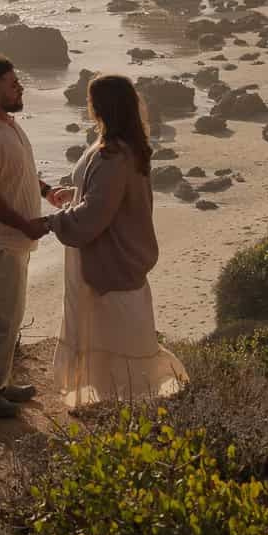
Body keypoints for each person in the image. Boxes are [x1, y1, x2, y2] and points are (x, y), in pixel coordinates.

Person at [46, 73, 187, 408]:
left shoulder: (113, 155)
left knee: (114, 332)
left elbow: (96, 213)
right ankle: (113, 399)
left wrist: (52, 222)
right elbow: (104, 197)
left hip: (111, 258)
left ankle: (124, 402)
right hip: (118, 254)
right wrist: (73, 194)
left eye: (91, 100)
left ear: (99, 107)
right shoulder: (126, 146)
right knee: (114, 331)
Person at [0, 54, 71, 418]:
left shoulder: (4, 124)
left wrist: (46, 191)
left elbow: (18, 172)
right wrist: (24, 224)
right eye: (12, 83)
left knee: (7, 315)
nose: (20, 87)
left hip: (9, 240)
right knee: (1, 319)